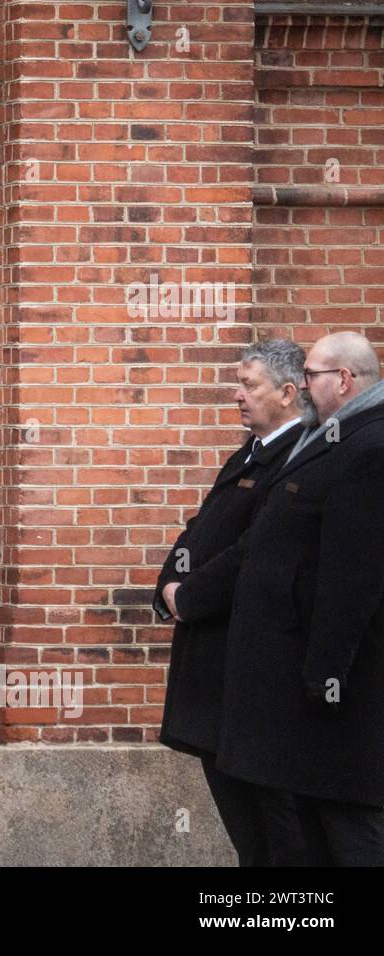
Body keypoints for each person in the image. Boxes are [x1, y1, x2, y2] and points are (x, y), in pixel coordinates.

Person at [209, 331, 384, 865]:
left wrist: (323, 678)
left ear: (344, 380)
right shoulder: (334, 436)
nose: (302, 386)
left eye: (310, 376)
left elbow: (351, 575)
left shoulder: (368, 446)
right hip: (310, 682)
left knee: (347, 826)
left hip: (338, 692)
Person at [154, 339, 307, 866]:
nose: (236, 395)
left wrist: (189, 597)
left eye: (250, 385)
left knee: (274, 828)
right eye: (238, 383)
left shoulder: (297, 456)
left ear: (288, 393)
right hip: (214, 669)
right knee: (245, 825)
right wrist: (167, 586)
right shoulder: (248, 452)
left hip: (249, 670)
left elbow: (252, 551)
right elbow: (201, 531)